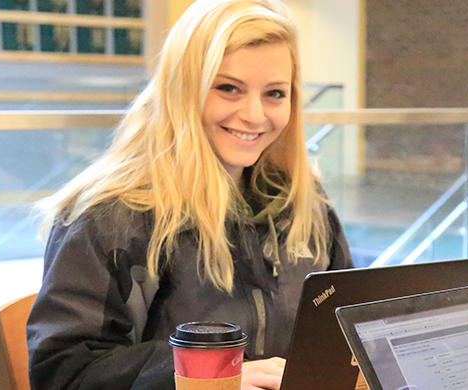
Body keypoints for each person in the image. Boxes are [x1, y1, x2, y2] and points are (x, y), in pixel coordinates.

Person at [25, 1, 353, 389]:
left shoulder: (300, 200)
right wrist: (212, 378)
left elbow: (344, 325)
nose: (254, 114)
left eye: (275, 94)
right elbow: (65, 373)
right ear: (183, 90)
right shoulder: (112, 215)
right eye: (228, 88)